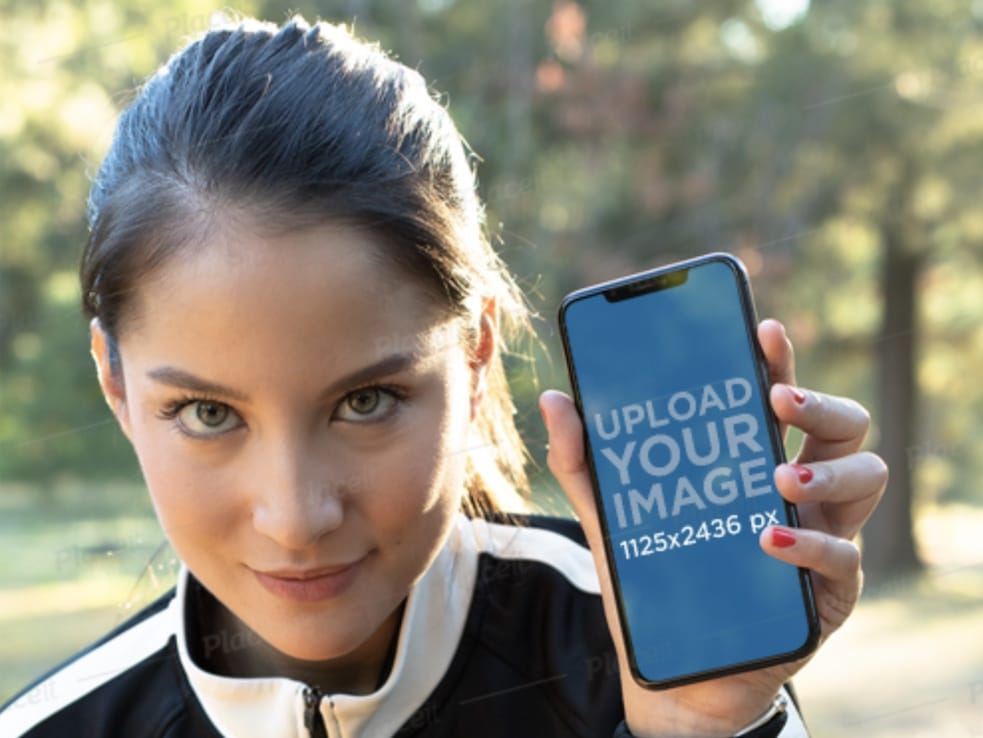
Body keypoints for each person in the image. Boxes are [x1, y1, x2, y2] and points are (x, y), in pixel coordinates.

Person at [0, 15, 887, 738]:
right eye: (205, 413)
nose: (297, 517)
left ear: (473, 353)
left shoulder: (637, 646)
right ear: (115, 386)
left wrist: (697, 729)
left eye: (365, 401)